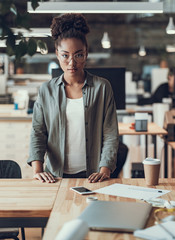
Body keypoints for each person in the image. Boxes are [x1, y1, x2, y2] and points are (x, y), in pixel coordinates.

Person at [27, 13, 119, 183]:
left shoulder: (102, 87)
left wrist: (105, 170)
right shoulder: (46, 90)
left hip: (92, 176)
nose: (71, 63)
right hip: (54, 176)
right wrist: (37, 170)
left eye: (78, 55)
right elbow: (38, 132)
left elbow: (110, 134)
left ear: (86, 53)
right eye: (65, 55)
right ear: (57, 54)